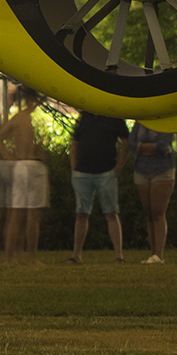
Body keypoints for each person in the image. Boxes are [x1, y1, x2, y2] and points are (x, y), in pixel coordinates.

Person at [0, 88, 48, 264]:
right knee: (22, 214)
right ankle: (18, 257)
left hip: (27, 164)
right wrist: (9, 157)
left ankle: (21, 257)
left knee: (25, 214)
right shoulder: (22, 117)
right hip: (26, 164)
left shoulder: (23, 118)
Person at [68, 110, 130, 264]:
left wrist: (118, 168)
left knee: (110, 212)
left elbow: (126, 143)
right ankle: (77, 255)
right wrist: (74, 168)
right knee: (82, 213)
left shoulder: (114, 117)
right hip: (84, 172)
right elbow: (75, 142)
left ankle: (118, 255)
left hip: (105, 172)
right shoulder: (85, 116)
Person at [128, 120, 177, 264]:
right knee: (148, 212)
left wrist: (141, 147)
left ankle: (159, 254)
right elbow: (131, 144)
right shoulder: (140, 122)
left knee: (157, 212)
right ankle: (153, 253)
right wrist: (151, 148)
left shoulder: (165, 122)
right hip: (141, 168)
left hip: (162, 169)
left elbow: (163, 146)